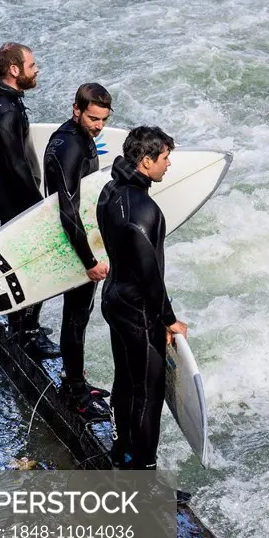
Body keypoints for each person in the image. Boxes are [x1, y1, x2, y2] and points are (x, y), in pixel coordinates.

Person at [97, 126, 187, 471]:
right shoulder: (145, 209)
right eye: (165, 158)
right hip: (138, 309)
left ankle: (121, 452)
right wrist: (168, 319)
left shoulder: (110, 190)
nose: (168, 165)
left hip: (113, 300)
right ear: (146, 161)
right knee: (149, 392)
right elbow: (150, 275)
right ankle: (144, 476)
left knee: (124, 380)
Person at [0, 42, 59, 359]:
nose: (36, 68)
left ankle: (25, 326)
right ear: (14, 70)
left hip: (9, 193)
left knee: (22, 263)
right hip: (17, 198)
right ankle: (25, 334)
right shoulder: (6, 112)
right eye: (31, 64)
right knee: (31, 266)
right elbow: (15, 165)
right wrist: (39, 206)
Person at [43, 83, 114, 420]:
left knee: (80, 316)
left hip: (81, 235)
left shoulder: (79, 135)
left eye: (103, 119)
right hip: (73, 241)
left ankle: (75, 379)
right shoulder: (68, 146)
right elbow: (67, 210)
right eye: (93, 117)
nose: (98, 125)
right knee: (75, 317)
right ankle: (74, 392)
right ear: (76, 109)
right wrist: (88, 261)